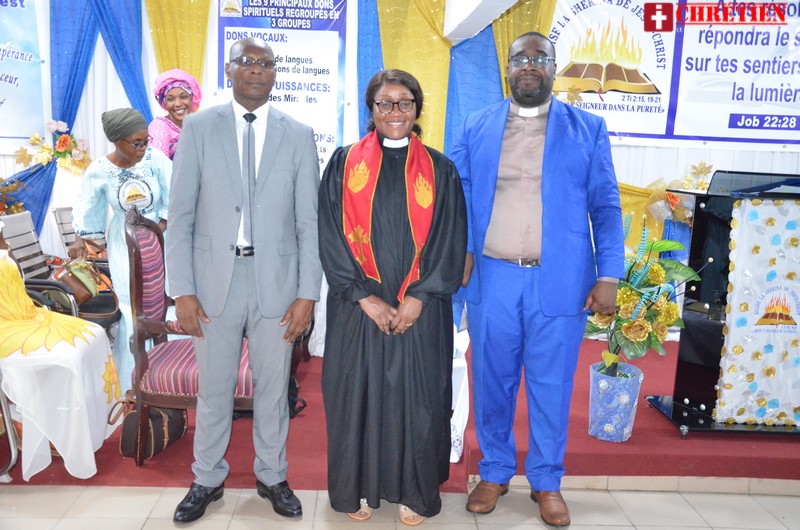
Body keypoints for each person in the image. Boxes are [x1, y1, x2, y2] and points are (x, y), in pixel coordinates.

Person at [449, 32, 624, 527]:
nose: (529, 65)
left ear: (553, 66)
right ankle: (495, 470)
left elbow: (606, 207)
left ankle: (547, 480)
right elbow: (456, 199)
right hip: (492, 276)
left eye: (539, 58)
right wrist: (458, 252)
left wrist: (610, 272)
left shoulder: (587, 129)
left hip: (560, 283)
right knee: (492, 381)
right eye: (520, 58)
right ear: (507, 68)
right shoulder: (476, 125)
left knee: (551, 387)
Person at [166, 37, 321, 524]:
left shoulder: (296, 133)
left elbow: (309, 222)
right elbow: (181, 217)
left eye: (266, 63)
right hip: (214, 284)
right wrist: (182, 291)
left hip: (276, 281)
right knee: (213, 388)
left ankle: (272, 475)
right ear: (229, 70)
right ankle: (206, 477)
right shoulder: (198, 128)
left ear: (276, 73)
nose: (257, 70)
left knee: (274, 389)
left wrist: (307, 293)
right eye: (247, 62)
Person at [319, 69, 467, 526]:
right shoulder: (343, 164)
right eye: (385, 103)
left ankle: (414, 492)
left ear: (418, 109)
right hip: (356, 307)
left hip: (420, 311)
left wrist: (419, 297)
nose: (395, 112)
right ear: (372, 110)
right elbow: (329, 236)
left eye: (404, 103)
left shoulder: (441, 169)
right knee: (354, 397)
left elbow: (450, 239)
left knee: (419, 400)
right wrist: (365, 297)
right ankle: (356, 489)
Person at [69, 107, 171, 395]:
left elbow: (175, 194)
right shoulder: (100, 169)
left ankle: (167, 377)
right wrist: (82, 239)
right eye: (135, 142)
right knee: (131, 309)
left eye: (145, 141)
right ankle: (132, 386)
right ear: (116, 141)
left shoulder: (156, 159)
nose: (142, 148)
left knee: (163, 304)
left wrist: (158, 227)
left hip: (161, 239)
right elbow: (88, 209)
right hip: (123, 243)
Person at [149, 68, 202, 159]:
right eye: (170, 99)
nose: (178, 104)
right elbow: (158, 167)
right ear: (164, 102)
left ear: (191, 98)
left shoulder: (199, 125)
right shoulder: (159, 128)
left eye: (183, 97)